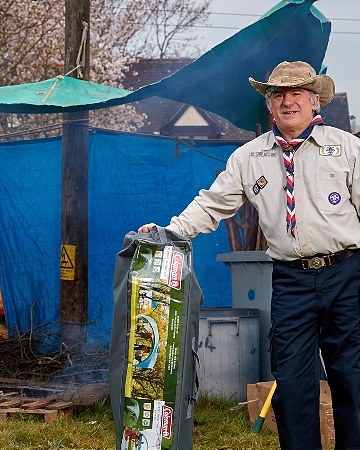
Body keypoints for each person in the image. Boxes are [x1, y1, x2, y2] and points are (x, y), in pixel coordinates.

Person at [139, 61, 360, 450]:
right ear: (269, 106)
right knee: (291, 381)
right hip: (291, 280)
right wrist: (171, 231)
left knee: (352, 377)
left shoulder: (347, 147)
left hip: (347, 274)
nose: (288, 102)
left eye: (296, 94)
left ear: (314, 101)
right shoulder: (248, 158)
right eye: (278, 95)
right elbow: (212, 204)